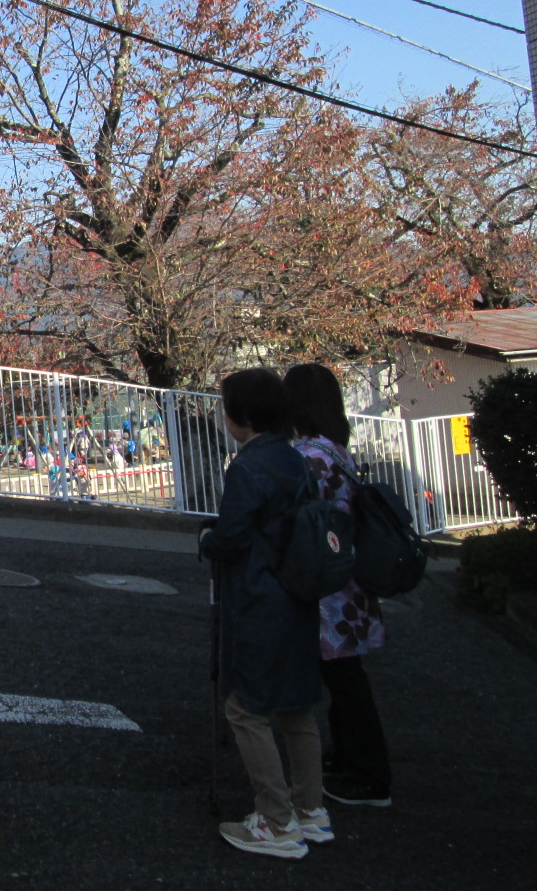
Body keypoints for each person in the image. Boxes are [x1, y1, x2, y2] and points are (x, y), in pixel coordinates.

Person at [198, 366, 330, 861]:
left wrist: (209, 541)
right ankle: (311, 810)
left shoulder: (248, 468)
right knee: (297, 705)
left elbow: (230, 538)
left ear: (240, 416)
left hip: (258, 598)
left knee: (246, 708)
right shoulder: (296, 460)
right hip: (299, 594)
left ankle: (277, 821)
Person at [284, 362, 393, 809]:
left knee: (346, 681)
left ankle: (371, 776)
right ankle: (349, 758)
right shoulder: (335, 449)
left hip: (327, 585)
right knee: (345, 676)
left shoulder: (308, 455)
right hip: (348, 581)